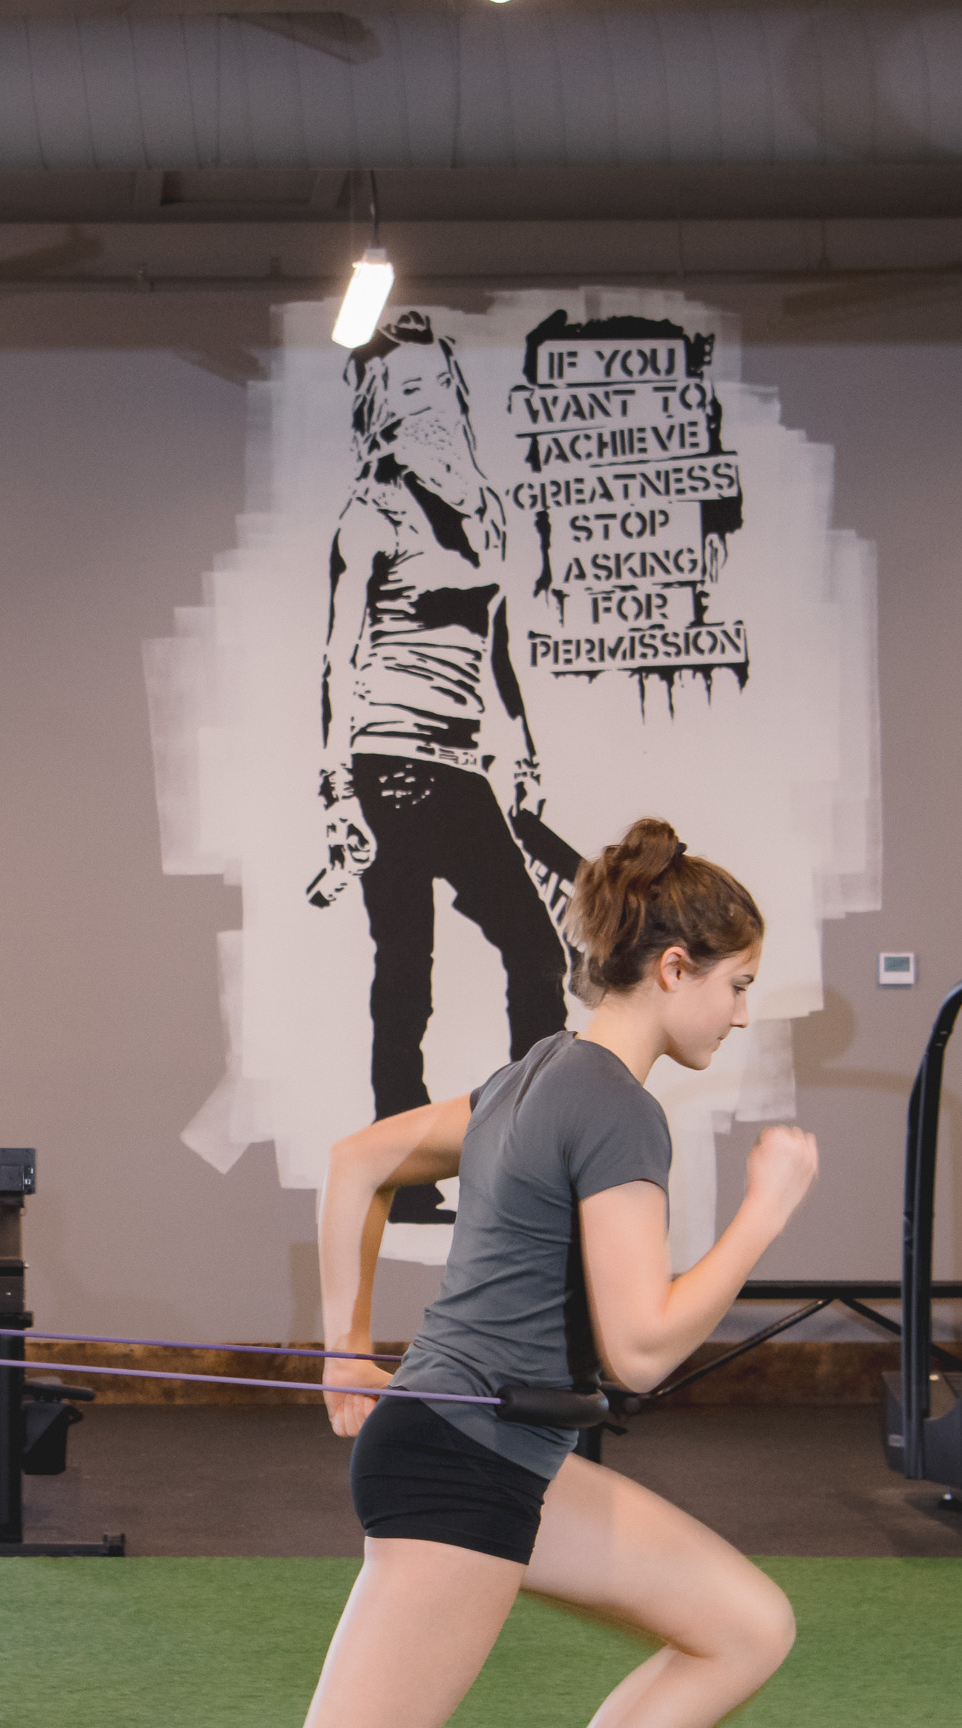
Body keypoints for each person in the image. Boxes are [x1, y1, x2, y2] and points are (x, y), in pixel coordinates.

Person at [131, 818, 812, 1728]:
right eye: (736, 984)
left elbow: (357, 1152)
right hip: (461, 1469)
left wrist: (344, 1341)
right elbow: (638, 1348)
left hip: (491, 1452)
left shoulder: (531, 1077)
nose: (742, 1013)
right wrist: (762, 1217)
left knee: (743, 1622)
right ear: (672, 965)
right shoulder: (614, 1103)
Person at [308, 309, 572, 1200]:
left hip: (459, 769)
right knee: (406, 970)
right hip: (388, 765)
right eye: (404, 390)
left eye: (435, 387)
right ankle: (403, 1165)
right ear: (380, 407)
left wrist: (523, 749)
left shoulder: (487, 514)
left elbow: (498, 651)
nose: (426, 407)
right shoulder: (370, 512)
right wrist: (336, 791)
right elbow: (339, 658)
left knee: (539, 956)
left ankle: (522, 1150)